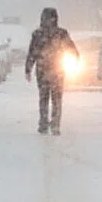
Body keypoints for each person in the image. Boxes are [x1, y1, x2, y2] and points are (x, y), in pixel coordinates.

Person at [25, 7, 78, 135]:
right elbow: (32, 52)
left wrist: (29, 68)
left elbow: (32, 52)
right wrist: (75, 57)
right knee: (55, 98)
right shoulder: (59, 34)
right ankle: (52, 124)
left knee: (48, 98)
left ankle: (47, 123)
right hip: (55, 70)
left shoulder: (39, 34)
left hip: (46, 70)